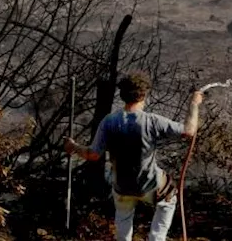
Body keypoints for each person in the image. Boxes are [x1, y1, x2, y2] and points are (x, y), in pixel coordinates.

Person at [64, 72, 203, 241]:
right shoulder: (152, 121)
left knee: (123, 219)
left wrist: (73, 146)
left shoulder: (109, 122)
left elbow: (92, 155)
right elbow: (189, 131)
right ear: (144, 95)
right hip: (149, 184)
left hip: (122, 186)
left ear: (122, 95)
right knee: (169, 197)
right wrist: (194, 104)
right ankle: (156, 238)